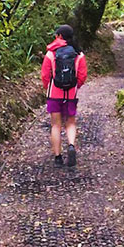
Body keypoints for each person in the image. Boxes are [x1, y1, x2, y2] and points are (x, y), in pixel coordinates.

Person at [41, 24, 88, 166]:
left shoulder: (51, 53)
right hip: (71, 95)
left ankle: (58, 157)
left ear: (59, 36)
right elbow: (82, 75)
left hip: (54, 94)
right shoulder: (78, 54)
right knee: (70, 122)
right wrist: (75, 87)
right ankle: (71, 145)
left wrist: (48, 87)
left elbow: (45, 75)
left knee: (56, 125)